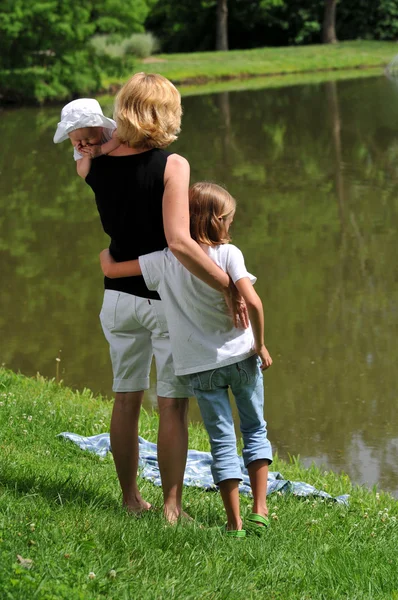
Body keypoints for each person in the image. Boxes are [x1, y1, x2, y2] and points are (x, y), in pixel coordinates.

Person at [55, 73, 246, 523]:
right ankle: (171, 508)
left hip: (117, 299)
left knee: (125, 399)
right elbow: (179, 243)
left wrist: (94, 145)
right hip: (166, 301)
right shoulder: (173, 165)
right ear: (166, 112)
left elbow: (91, 149)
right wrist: (227, 283)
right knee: (171, 405)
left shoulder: (91, 165)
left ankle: (129, 498)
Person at [99, 181, 273, 537]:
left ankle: (234, 523)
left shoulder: (166, 260)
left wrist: (104, 255)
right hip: (241, 359)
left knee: (221, 441)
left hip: (202, 368)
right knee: (254, 429)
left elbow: (113, 270)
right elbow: (253, 302)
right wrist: (261, 345)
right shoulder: (229, 254)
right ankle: (260, 509)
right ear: (222, 220)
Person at [53, 98, 120, 178]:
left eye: (89, 138)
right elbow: (83, 173)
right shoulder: (79, 148)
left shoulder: (108, 130)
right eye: (77, 140)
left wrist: (101, 149)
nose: (84, 143)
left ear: (100, 127)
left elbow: (121, 138)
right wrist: (86, 157)